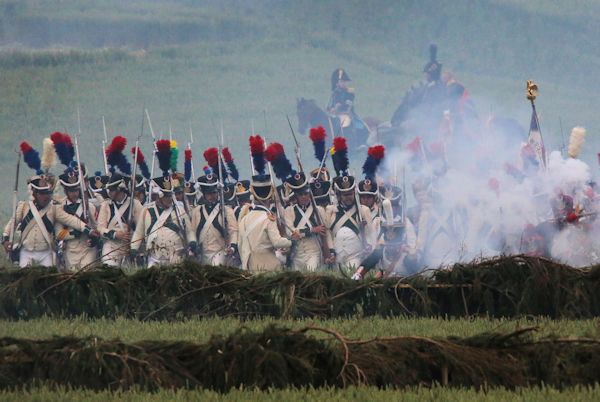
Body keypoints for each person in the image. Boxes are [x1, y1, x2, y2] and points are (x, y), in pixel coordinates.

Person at [3, 174, 98, 268]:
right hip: (26, 252)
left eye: (47, 193)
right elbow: (12, 224)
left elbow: (71, 220)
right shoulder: (23, 207)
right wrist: (5, 239)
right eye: (42, 193)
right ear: (34, 193)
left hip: (45, 253)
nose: (46, 197)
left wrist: (88, 230)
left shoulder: (54, 209)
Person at [238, 174, 297, 271]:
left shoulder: (244, 218)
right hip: (269, 264)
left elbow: (240, 244)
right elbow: (277, 242)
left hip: (250, 264)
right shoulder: (269, 218)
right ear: (270, 197)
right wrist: (292, 241)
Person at [131, 175, 192, 267]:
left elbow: (189, 231)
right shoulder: (146, 210)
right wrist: (134, 248)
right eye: (166, 196)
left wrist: (192, 242)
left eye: (170, 196)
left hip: (176, 257)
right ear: (158, 196)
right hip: (154, 257)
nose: (170, 199)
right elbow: (139, 232)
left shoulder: (179, 210)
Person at [284, 172, 334, 271]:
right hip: (296, 254)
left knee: (312, 275)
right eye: (300, 194)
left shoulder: (318, 210)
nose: (303, 197)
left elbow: (326, 232)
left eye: (306, 194)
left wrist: (331, 252)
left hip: (314, 252)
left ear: (310, 194)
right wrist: (312, 230)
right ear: (296, 196)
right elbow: (291, 233)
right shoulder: (289, 211)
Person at [326, 174, 374, 270]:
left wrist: (369, 246)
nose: (348, 197)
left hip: (355, 256)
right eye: (345, 195)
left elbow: (371, 233)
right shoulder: (331, 210)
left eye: (350, 194)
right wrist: (331, 251)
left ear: (354, 193)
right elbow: (328, 233)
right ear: (339, 195)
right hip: (337, 257)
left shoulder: (363, 210)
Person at [54, 168, 99, 270]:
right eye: (71, 191)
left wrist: (95, 238)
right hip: (70, 249)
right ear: (65, 191)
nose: (74, 194)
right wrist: (74, 233)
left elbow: (97, 226)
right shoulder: (60, 208)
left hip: (88, 248)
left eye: (76, 190)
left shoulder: (89, 206)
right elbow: (59, 234)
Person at [189, 174, 238, 266]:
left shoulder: (226, 210)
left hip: (220, 252)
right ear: (203, 194)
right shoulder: (196, 211)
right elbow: (192, 231)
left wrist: (232, 247)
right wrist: (192, 244)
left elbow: (233, 231)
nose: (212, 196)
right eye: (209, 193)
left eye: (214, 192)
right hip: (202, 254)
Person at [96, 173, 142, 266]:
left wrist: (134, 245)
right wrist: (115, 234)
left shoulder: (135, 204)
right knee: (109, 268)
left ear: (119, 190)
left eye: (112, 190)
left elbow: (141, 227)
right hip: (111, 245)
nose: (109, 192)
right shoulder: (106, 205)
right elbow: (100, 228)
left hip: (129, 245)